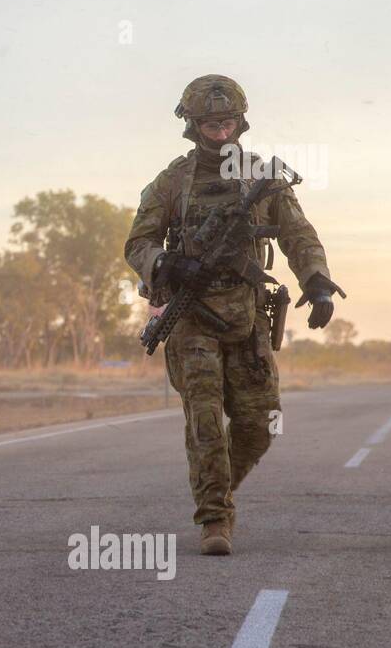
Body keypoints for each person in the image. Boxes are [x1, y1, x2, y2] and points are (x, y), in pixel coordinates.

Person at [124, 75, 346, 555]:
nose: (220, 132)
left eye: (226, 122)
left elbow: (298, 234)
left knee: (261, 422)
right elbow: (137, 243)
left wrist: (318, 281)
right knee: (203, 418)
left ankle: (217, 486)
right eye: (210, 123)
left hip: (246, 316)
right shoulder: (172, 182)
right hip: (191, 317)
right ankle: (215, 519)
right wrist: (166, 262)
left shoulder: (261, 176)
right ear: (192, 125)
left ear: (240, 122)